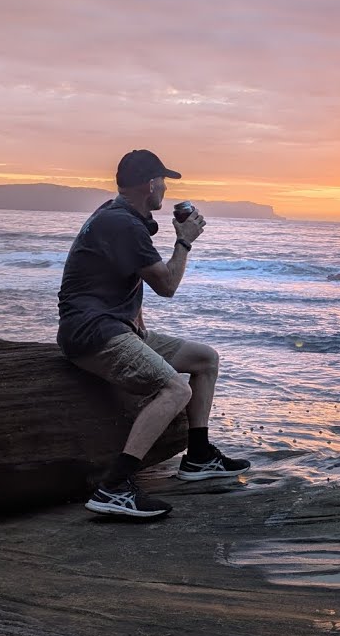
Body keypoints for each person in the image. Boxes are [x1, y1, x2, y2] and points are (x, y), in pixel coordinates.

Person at [57, 149, 250, 519]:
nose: (164, 188)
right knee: (176, 388)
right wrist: (185, 240)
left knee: (205, 359)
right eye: (162, 181)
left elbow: (118, 273)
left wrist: (135, 315)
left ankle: (198, 457)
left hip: (110, 326)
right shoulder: (123, 224)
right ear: (150, 185)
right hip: (95, 335)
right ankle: (114, 487)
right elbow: (167, 285)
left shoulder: (114, 215)